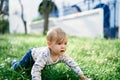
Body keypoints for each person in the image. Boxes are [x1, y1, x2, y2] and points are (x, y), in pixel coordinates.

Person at [11, 27, 90, 80]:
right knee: (20, 67)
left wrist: (82, 76)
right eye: (59, 43)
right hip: (31, 55)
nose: (63, 47)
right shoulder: (44, 55)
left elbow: (72, 64)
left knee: (39, 66)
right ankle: (14, 62)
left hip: (39, 60)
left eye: (65, 43)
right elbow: (36, 69)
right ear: (49, 44)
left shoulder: (62, 55)